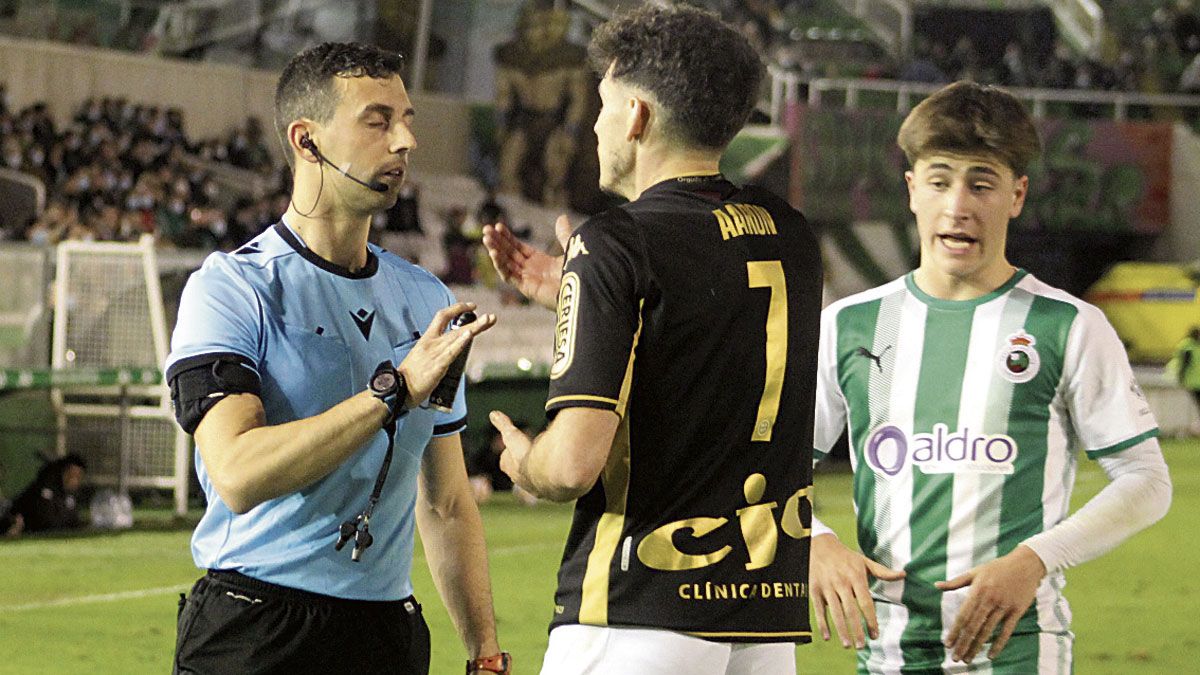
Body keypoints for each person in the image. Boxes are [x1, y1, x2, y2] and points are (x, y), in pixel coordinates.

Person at [483, 6, 823, 673]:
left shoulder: (615, 243)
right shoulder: (791, 235)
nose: (596, 122)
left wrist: (526, 463)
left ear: (636, 116)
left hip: (636, 607)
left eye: (605, 104)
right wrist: (582, 301)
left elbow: (575, 464)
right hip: (762, 624)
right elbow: (704, 328)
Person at [165, 42, 510, 675]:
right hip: (256, 628)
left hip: (387, 634)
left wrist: (484, 652)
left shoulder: (424, 296)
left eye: (407, 119)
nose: (404, 140)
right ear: (307, 141)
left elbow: (446, 503)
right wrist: (393, 392)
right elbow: (238, 472)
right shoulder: (232, 288)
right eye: (377, 121)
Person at [808, 81, 1173, 673]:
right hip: (887, 651)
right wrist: (816, 543)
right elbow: (772, 475)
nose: (958, 205)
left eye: (982, 183)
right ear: (911, 192)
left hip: (1019, 649)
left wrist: (1034, 559)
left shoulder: (1067, 325)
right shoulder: (850, 325)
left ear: (1017, 195)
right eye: (939, 180)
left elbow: (1146, 480)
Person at [5, 453, 87, 534]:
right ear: (63, 472)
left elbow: (72, 520)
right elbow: (46, 521)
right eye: (71, 475)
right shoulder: (45, 489)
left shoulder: (69, 495)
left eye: (78, 477)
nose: (74, 480)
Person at [1166, 326, 1200, 425]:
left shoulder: (1187, 345)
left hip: (1192, 381)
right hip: (1193, 381)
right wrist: (1181, 377)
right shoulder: (1189, 346)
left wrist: (1180, 377)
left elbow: (1183, 364)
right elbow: (1185, 363)